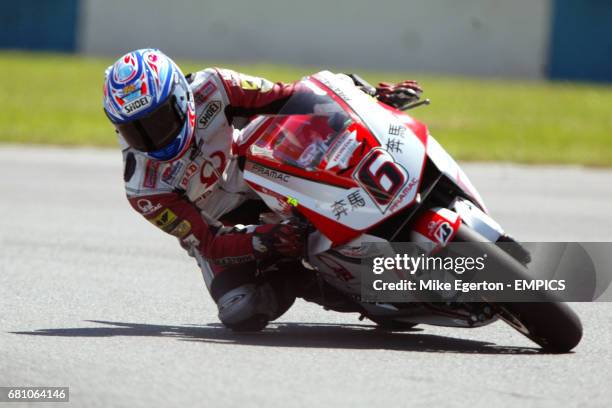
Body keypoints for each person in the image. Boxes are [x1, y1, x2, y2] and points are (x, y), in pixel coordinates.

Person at [102, 48, 422, 331]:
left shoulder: (216, 86)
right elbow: (208, 242)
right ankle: (349, 289)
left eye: (158, 121)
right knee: (241, 309)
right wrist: (265, 240)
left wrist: (368, 99)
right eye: (136, 131)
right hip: (226, 227)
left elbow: (291, 97)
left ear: (180, 97)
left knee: (312, 130)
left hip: (269, 176)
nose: (152, 138)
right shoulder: (144, 189)